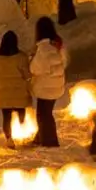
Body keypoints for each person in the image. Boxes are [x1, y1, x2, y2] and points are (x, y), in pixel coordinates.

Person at [29, 15, 67, 147]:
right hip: (56, 85)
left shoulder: (43, 48)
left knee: (43, 115)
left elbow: (35, 68)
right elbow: (64, 62)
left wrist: (31, 60)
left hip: (45, 87)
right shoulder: (58, 44)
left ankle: (49, 141)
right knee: (46, 113)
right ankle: (40, 137)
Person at [0, 30, 32, 140]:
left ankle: (9, 139)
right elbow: (27, 74)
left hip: (3, 93)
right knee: (21, 113)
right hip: (19, 92)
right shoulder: (21, 57)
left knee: (6, 118)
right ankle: (23, 133)